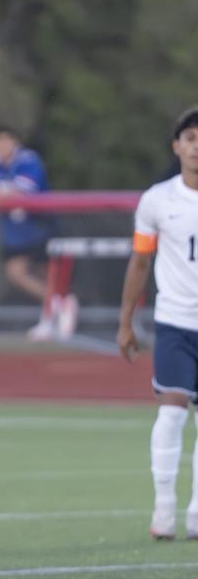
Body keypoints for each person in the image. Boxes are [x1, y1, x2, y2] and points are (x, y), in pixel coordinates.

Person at [117, 105, 198, 541]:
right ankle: (163, 507)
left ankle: (197, 511)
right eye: (190, 139)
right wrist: (126, 320)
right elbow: (140, 262)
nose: (197, 147)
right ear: (177, 146)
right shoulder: (157, 200)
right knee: (171, 411)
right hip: (175, 322)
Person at [0, 126, 75, 340]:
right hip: (15, 232)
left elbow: (21, 192)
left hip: (40, 226)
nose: (2, 147)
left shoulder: (28, 160)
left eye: (7, 141)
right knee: (17, 272)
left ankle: (54, 312)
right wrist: (0, 193)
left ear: (15, 142)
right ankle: (58, 305)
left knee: (46, 272)